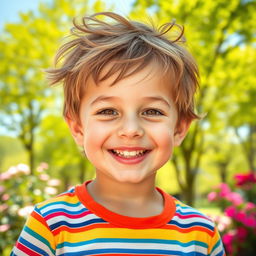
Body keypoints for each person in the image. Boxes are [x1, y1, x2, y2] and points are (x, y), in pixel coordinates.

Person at [11, 12, 226, 256]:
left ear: (179, 129)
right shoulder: (50, 225)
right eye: (108, 111)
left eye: (152, 111)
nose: (131, 130)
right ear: (78, 128)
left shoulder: (200, 233)